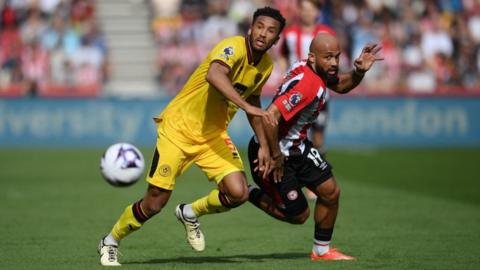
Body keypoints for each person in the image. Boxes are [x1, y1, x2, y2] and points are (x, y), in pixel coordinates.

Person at [97, 7, 286, 266]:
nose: (264, 33)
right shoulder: (232, 47)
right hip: (178, 130)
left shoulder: (265, 66)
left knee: (238, 192)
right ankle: (111, 241)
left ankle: (189, 212)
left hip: (213, 136)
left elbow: (253, 98)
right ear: (251, 28)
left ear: (276, 39)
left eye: (271, 31)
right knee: (154, 204)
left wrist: (264, 144)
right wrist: (248, 107)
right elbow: (215, 74)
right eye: (260, 26)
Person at [248, 33, 382, 260]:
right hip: (275, 153)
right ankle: (247, 192)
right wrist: (275, 155)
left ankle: (321, 250)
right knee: (298, 215)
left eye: (337, 57)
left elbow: (341, 85)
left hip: (297, 147)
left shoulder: (311, 68)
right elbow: (269, 117)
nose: (334, 63)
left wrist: (359, 71)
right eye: (328, 57)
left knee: (330, 192)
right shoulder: (308, 85)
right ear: (312, 57)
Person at [279, 0, 336, 200]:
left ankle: (314, 182)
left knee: (318, 136)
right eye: (303, 9)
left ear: (317, 12)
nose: (306, 13)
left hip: (319, 94)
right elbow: (283, 56)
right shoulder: (290, 33)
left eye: (310, 10)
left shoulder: (326, 33)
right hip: (295, 94)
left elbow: (333, 60)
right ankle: (290, 179)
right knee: (291, 136)